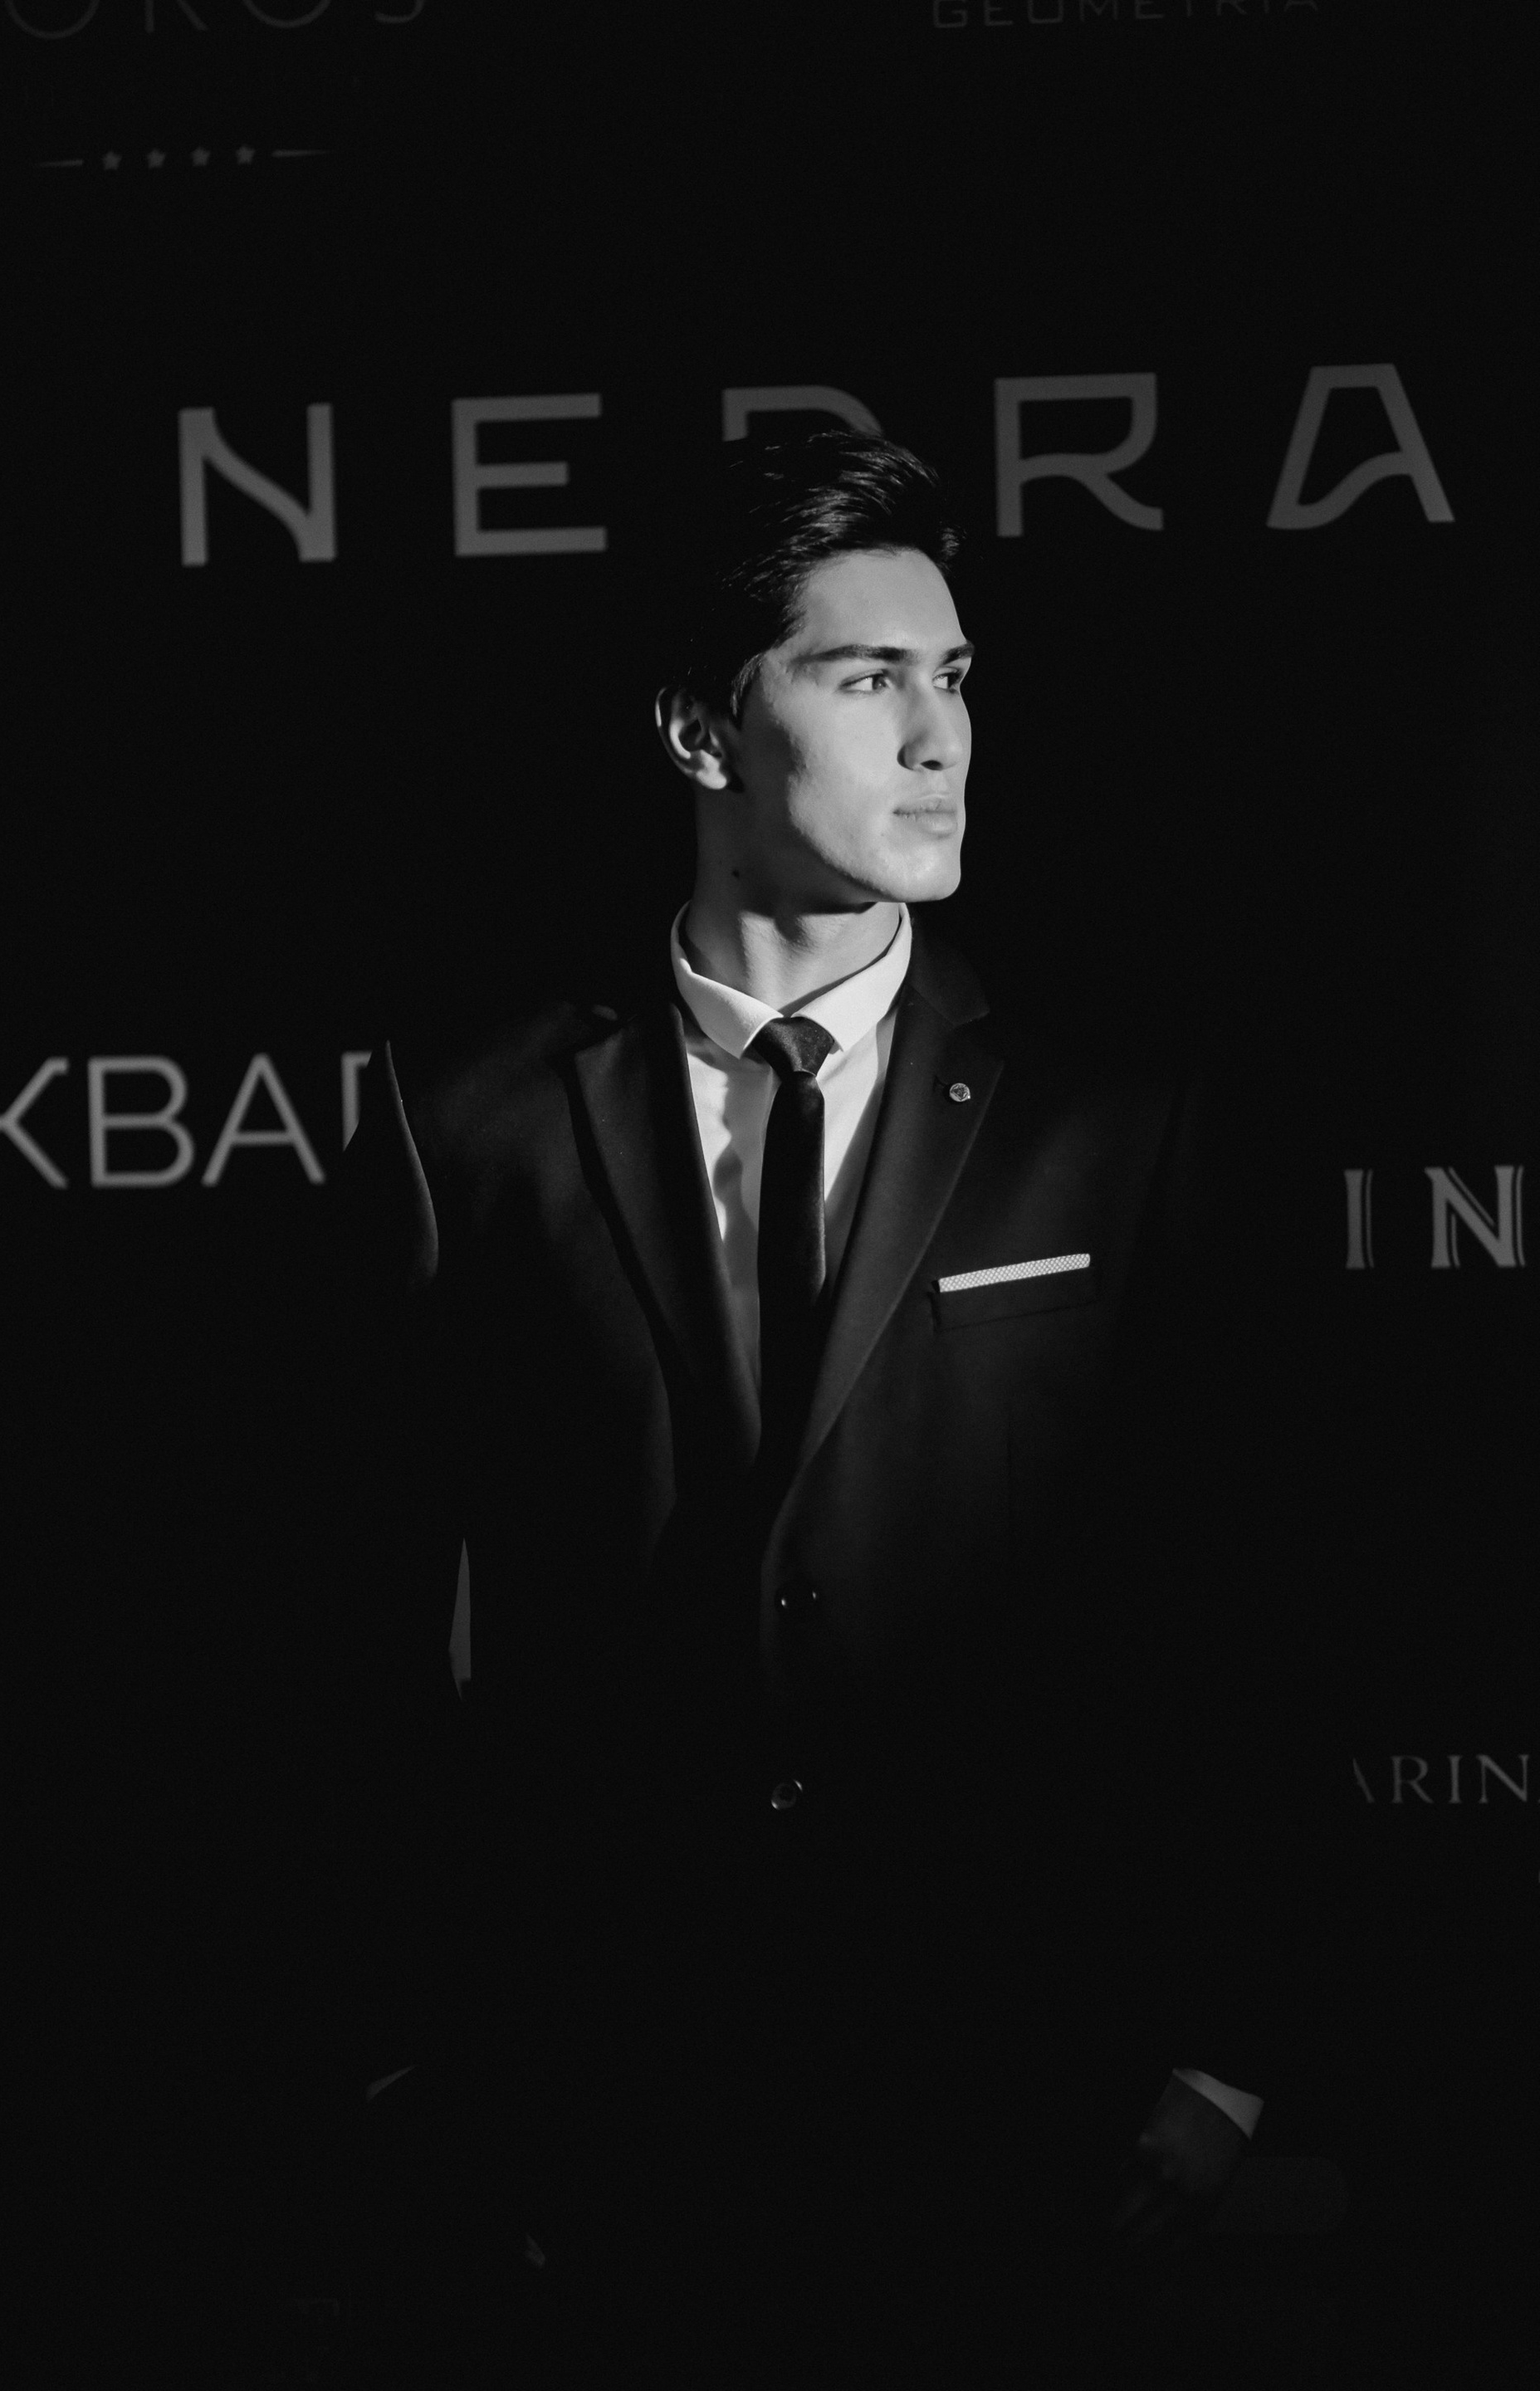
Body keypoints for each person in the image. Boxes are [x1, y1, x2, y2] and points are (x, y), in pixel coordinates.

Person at [330, 433, 1315, 2387]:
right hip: (611, 2134)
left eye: (954, 678)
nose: (941, 739)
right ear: (702, 730)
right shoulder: (473, 1131)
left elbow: (1251, 1598)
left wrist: (1227, 2053)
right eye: (868, 678)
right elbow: (352, 1645)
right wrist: (418, 2072)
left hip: (1032, 2111)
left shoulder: (1118, 1114)